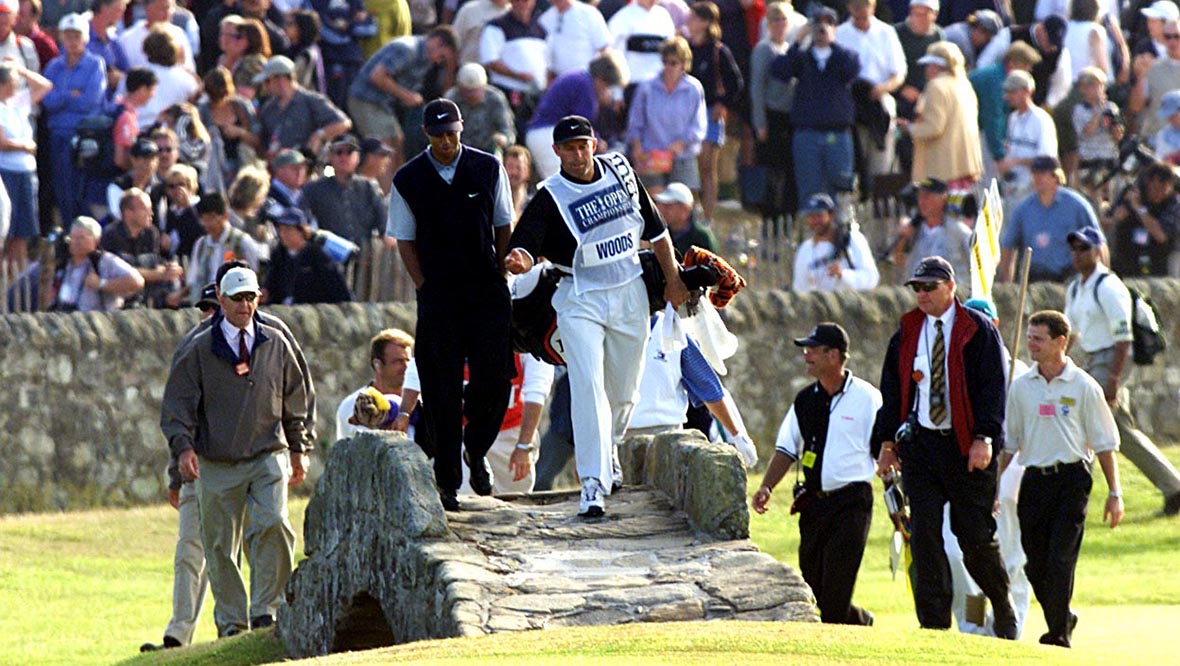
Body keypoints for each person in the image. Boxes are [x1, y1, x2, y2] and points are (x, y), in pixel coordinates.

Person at [505, 114, 690, 517]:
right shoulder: (550, 196)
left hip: (629, 291)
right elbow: (524, 245)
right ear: (555, 152)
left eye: (582, 145)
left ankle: (608, 450)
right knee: (587, 385)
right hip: (579, 297)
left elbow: (657, 231)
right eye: (568, 148)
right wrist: (518, 258)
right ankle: (592, 482)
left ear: (595, 144)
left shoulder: (621, 173)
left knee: (624, 392)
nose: (576, 154)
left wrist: (674, 280)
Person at [160, 266, 309, 637]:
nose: (246, 306)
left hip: (267, 451)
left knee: (274, 524)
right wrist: (182, 452)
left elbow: (296, 396)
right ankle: (232, 623)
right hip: (217, 461)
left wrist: (299, 448)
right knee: (219, 547)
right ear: (221, 301)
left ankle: (267, 611)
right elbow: (177, 407)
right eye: (238, 299)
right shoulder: (197, 348)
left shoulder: (276, 340)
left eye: (251, 297)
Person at [874, 256, 1017, 638]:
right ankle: (933, 625)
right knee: (924, 534)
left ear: (951, 287)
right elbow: (893, 392)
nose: (922, 294)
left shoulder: (978, 330)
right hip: (922, 447)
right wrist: (886, 443)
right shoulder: (907, 332)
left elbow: (993, 391)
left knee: (973, 537)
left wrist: (985, 438)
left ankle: (1002, 605)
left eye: (929, 287)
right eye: (916, 288)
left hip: (967, 447)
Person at [386, 98, 515, 512]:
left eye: (452, 133)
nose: (447, 141)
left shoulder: (488, 168)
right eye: (439, 135)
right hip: (439, 294)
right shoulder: (408, 179)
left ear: (462, 129)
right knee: (440, 389)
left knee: (494, 381)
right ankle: (448, 482)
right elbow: (404, 240)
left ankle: (476, 450)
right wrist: (424, 285)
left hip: (485, 289)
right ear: (427, 134)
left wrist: (501, 274)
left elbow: (502, 224)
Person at [1003, 309, 1124, 647]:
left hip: (1071, 480)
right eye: (1029, 337)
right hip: (1034, 480)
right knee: (1035, 563)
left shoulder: (1084, 386)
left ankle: (1058, 633)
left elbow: (1104, 443)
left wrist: (1115, 492)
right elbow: (1010, 445)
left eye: (1038, 339)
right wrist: (996, 487)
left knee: (1059, 560)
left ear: (1061, 342)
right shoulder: (1021, 387)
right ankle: (1063, 616)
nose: (1031, 344)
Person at [753, 322, 880, 625]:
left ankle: (842, 639)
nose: (806, 355)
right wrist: (767, 486)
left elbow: (885, 448)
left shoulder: (868, 398)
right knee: (815, 590)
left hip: (851, 503)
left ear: (833, 355)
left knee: (834, 598)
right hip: (813, 505)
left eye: (813, 349)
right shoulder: (805, 400)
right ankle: (862, 622)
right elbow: (787, 449)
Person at [1064, 227, 1180, 515]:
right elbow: (1071, 331)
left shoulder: (1108, 286)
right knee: (1121, 433)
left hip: (1112, 360)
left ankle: (1075, 496)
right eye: (1075, 248)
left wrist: (1114, 380)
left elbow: (1123, 338)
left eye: (1084, 248)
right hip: (1093, 359)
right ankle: (1174, 486)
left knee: (1088, 422)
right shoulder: (1076, 287)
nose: (1078, 254)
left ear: (1099, 251)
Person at [139, 282, 220, 654]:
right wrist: (176, 474)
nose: (208, 315)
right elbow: (177, 417)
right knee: (189, 552)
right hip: (197, 470)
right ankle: (178, 636)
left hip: (243, 467)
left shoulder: (262, 343)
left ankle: (253, 625)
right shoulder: (190, 349)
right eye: (204, 308)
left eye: (213, 307)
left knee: (254, 548)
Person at [626, 310, 758, 467]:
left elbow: (708, 387)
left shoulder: (674, 331)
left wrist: (737, 435)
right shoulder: (611, 330)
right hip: (619, 439)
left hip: (667, 439)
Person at [771, 7, 860, 204]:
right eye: (818, 23)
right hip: (807, 132)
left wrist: (832, 43)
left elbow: (851, 71)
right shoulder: (802, 57)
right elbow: (780, 71)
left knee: (840, 189)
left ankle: (838, 231)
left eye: (828, 22)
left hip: (837, 133)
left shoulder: (845, 56)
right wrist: (797, 43)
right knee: (809, 190)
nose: (822, 27)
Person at [42, 12, 106, 222]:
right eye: (68, 36)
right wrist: (70, 95)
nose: (72, 41)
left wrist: (60, 97)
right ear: (61, 38)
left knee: (80, 189)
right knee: (62, 189)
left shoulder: (95, 64)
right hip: (57, 135)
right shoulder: (53, 66)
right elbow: (46, 100)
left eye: (76, 36)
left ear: (86, 38)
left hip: (83, 137)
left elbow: (89, 101)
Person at [1000, 155, 1103, 283]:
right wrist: (1007, 285)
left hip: (1068, 279)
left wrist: (1102, 281)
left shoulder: (1076, 205)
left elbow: (1099, 243)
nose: (1037, 178)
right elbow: (1008, 248)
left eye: (1042, 173)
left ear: (1056, 176)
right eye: (1035, 173)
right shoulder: (1023, 209)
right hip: (1034, 279)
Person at [836, 0, 906, 187]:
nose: (860, 12)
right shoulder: (840, 34)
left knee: (881, 161)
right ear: (849, 8)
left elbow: (899, 73)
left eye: (864, 6)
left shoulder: (886, 32)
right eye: (856, 7)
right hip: (851, 102)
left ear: (873, 7)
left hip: (879, 98)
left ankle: (879, 204)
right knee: (855, 159)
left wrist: (882, 88)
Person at [685, 1, 742, 224]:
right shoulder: (686, 48)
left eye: (694, 18)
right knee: (690, 165)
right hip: (688, 113)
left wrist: (722, 103)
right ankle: (691, 211)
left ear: (706, 22)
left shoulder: (719, 51)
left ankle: (707, 217)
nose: (689, 22)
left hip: (710, 113)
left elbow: (736, 83)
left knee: (707, 165)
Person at [626, 35, 707, 193]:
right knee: (653, 205)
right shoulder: (646, 87)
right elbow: (635, 121)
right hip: (651, 155)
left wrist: (682, 143)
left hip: (682, 156)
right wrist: (636, 147)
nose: (668, 67)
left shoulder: (693, 88)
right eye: (665, 62)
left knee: (682, 205)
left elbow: (698, 124)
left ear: (684, 64)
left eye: (673, 63)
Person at [900, 41, 982, 186]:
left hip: (944, 170)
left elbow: (934, 127)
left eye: (929, 65)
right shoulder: (965, 85)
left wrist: (909, 128)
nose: (926, 70)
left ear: (936, 66)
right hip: (966, 166)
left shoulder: (936, 87)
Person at [0, 60, 49, 270]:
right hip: (7, 172)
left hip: (27, 173)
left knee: (22, 231)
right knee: (6, 230)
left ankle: (16, 284)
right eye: (13, 79)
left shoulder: (18, 102)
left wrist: (20, 69)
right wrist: (26, 146)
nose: (17, 83)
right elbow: (2, 143)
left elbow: (45, 86)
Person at [299, 134, 388, 248]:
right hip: (327, 257)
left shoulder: (369, 187)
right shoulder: (313, 189)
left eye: (349, 152)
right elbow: (302, 222)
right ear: (330, 157)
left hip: (364, 257)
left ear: (358, 158)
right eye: (339, 152)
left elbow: (384, 224)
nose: (344, 157)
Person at [256, 55, 351, 159]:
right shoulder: (268, 108)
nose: (265, 87)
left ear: (281, 80)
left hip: (309, 166)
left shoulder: (311, 101)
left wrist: (318, 135)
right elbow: (263, 141)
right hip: (281, 168)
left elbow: (343, 123)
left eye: (267, 81)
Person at [100, 188, 182, 307]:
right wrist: (160, 275)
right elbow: (121, 272)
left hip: (146, 296)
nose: (151, 213)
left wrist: (169, 268)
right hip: (118, 300)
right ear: (128, 212)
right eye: (146, 209)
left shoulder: (151, 233)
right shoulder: (110, 235)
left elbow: (154, 263)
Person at [336, 328, 417, 441]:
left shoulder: (418, 404)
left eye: (408, 361)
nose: (406, 367)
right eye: (398, 361)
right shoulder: (350, 406)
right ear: (377, 364)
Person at [51, 215, 145, 311]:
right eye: (72, 238)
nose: (75, 242)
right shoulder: (65, 262)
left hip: (98, 321)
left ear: (96, 240)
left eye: (81, 238)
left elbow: (137, 281)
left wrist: (101, 283)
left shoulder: (105, 261)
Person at [1104, 161, 1180, 277]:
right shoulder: (1132, 192)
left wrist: (1139, 208)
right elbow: (1103, 223)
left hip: (1159, 258)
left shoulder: (1173, 203)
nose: (1158, 193)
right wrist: (1115, 219)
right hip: (1126, 253)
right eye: (1155, 188)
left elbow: (1161, 235)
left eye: (1163, 189)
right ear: (1148, 183)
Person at [891, 177, 972, 285]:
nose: (921, 201)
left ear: (943, 198)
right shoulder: (914, 230)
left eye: (927, 196)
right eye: (919, 196)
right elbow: (898, 263)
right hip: (919, 293)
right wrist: (903, 238)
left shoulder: (959, 232)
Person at [792, 193, 879, 292]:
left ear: (831, 215)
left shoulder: (852, 240)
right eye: (811, 216)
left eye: (819, 215)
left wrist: (843, 275)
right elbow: (800, 288)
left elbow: (871, 279)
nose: (815, 221)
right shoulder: (805, 249)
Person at [264, 207, 352, 305]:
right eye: (281, 229)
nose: (283, 234)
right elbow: (271, 283)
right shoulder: (279, 256)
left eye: (288, 230)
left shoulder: (317, 256)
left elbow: (338, 289)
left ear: (302, 231)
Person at [995, 70, 1057, 203]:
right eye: (1007, 92)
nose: (1007, 96)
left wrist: (1016, 162)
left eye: (1012, 92)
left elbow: (1047, 160)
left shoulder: (1041, 119)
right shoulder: (1013, 118)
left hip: (1033, 187)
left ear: (1026, 91)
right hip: (1012, 187)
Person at [445, 62, 514, 159]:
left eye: (475, 91)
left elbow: (507, 130)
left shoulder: (495, 99)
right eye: (467, 91)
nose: (471, 95)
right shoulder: (451, 99)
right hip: (458, 151)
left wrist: (503, 139)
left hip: (488, 150)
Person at [538, 0, 612, 78]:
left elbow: (605, 49)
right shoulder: (545, 19)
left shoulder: (589, 13)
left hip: (587, 80)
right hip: (558, 82)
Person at [652, 182, 718, 254]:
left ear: (684, 210)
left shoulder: (702, 238)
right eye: (660, 205)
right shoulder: (659, 234)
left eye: (668, 206)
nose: (661, 210)